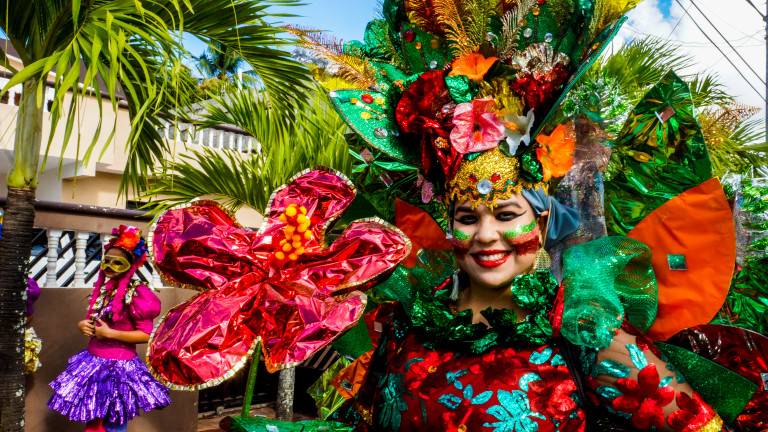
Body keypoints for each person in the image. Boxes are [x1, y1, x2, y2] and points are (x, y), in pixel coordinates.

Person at [48, 225, 170, 432]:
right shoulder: (107, 289)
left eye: (118, 262)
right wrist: (83, 325)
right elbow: (97, 320)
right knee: (94, 418)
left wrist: (110, 334)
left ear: (131, 265)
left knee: (112, 421)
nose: (110, 266)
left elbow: (146, 334)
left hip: (118, 369)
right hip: (93, 363)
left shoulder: (138, 294)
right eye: (107, 260)